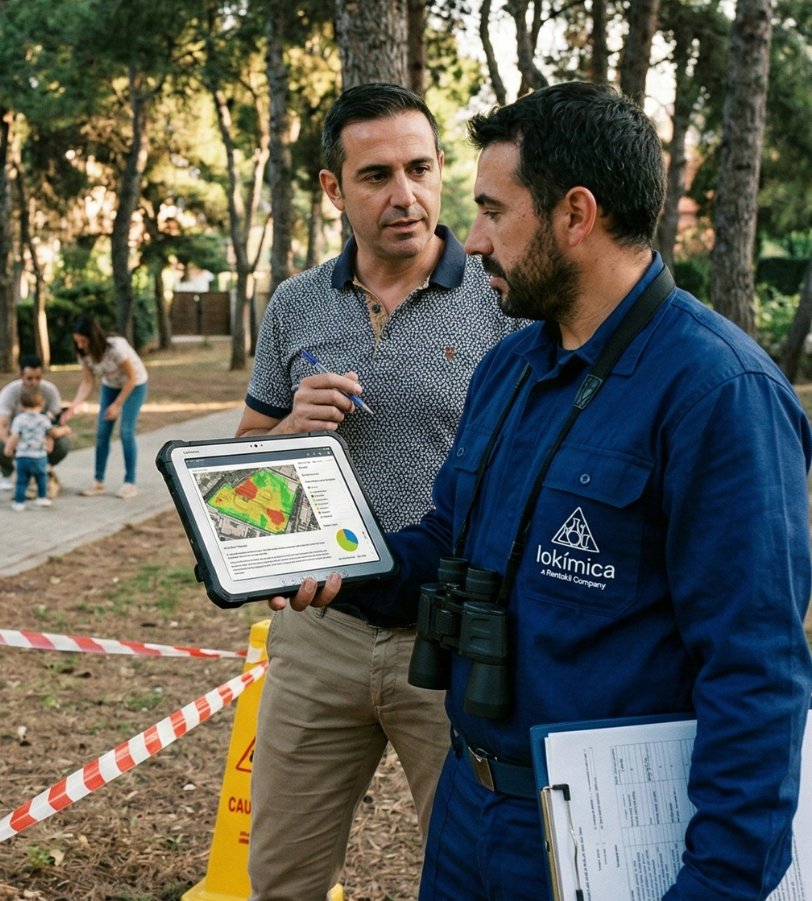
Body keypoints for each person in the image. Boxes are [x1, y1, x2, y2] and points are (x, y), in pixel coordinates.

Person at [276, 83, 812, 901]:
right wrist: (343, 565)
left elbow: (757, 678)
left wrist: (719, 885)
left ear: (575, 215)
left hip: (608, 836)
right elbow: (442, 544)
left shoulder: (718, 393)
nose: (476, 239)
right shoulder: (511, 367)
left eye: (494, 211)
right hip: (470, 812)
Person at [237, 83, 524, 900]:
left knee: (474, 878)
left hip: (456, 635)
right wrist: (291, 427)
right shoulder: (295, 303)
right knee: (281, 879)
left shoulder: (502, 295)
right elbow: (245, 464)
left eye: (421, 168)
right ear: (333, 189)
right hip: (318, 634)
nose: (406, 196)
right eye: (376, 176)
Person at [61, 316, 148, 498]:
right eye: (77, 342)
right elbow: (87, 382)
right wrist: (73, 406)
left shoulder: (116, 347)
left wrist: (117, 405)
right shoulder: (84, 354)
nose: (80, 345)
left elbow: (131, 377)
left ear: (94, 338)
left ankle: (129, 483)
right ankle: (98, 482)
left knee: (126, 431)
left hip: (135, 385)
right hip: (111, 386)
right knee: (102, 433)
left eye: (83, 341)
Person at [0, 354, 71, 490]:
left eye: (38, 378)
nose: (34, 382)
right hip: (17, 437)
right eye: (29, 378)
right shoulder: (9, 392)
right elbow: (0, 425)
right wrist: (11, 444)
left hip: (42, 438)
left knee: (63, 444)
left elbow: (58, 421)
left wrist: (50, 436)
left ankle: (44, 469)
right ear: (20, 376)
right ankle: (8, 472)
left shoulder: (49, 390)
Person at [5, 386, 53, 511]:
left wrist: (9, 448)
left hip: (23, 456)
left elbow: (15, 436)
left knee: (21, 480)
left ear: (20, 405)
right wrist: (49, 444)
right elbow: (50, 433)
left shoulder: (19, 420)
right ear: (42, 404)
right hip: (39, 456)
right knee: (42, 477)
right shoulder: (44, 419)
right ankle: (42, 498)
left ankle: (19, 502)